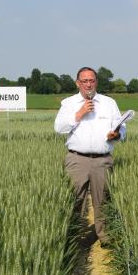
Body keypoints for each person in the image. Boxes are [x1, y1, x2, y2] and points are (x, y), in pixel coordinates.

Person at [54, 67, 126, 246]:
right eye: (84, 81)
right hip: (77, 160)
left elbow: (122, 128)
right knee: (74, 199)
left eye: (91, 80)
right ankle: (73, 237)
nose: (88, 84)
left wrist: (116, 135)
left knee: (102, 199)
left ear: (96, 82)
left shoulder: (109, 103)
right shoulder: (68, 103)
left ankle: (104, 237)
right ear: (78, 83)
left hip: (102, 160)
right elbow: (59, 128)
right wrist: (79, 114)